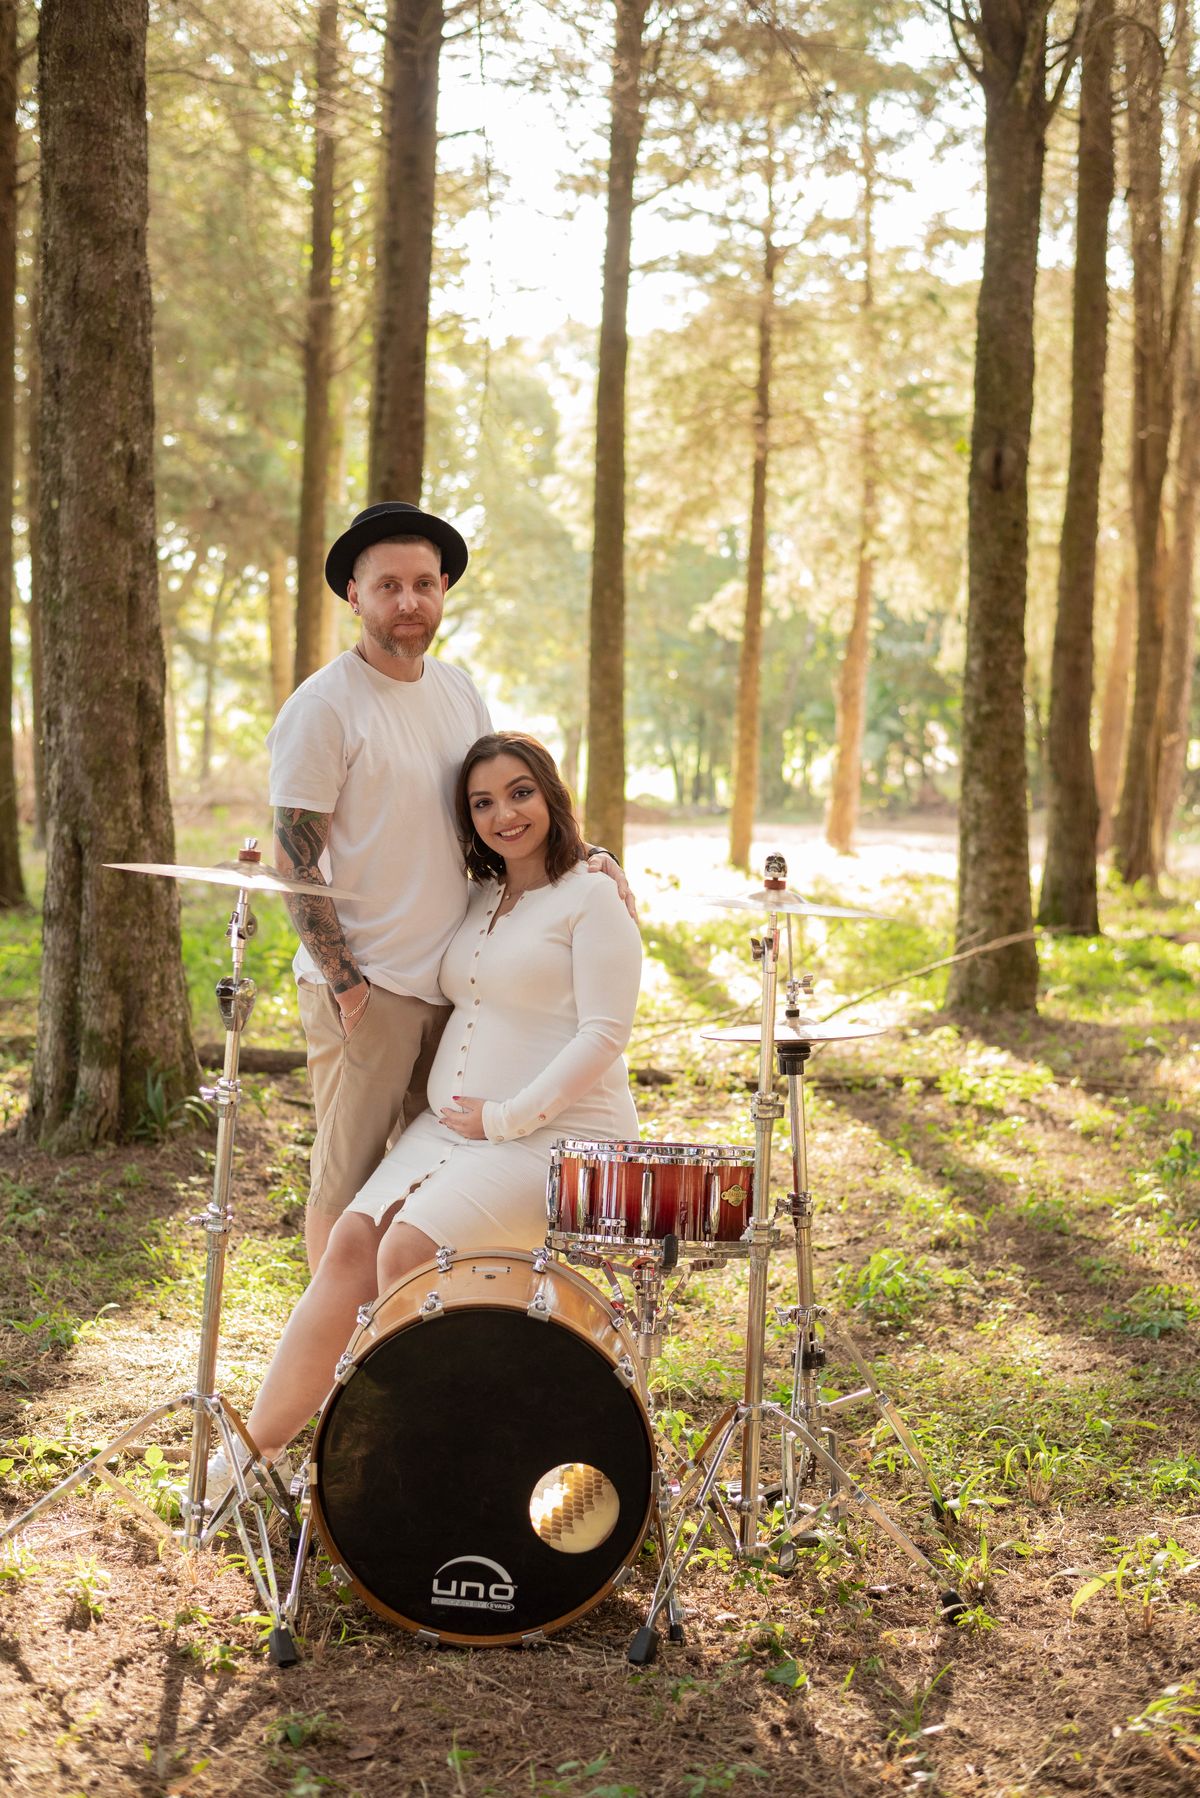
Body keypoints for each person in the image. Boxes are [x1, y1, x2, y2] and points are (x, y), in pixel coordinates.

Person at [214, 732, 641, 1487]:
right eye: (482, 802)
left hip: (557, 1138)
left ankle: (402, 1458)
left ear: (550, 794)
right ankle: (251, 1459)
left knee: (406, 1252)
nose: (504, 813)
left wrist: (506, 1116)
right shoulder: (478, 898)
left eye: (520, 792)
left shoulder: (593, 895)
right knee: (352, 1240)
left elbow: (605, 1034)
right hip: (455, 1130)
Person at [267, 502, 633, 1277]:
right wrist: (347, 984)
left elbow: (495, 811)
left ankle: (422, 1340)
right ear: (355, 596)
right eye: (389, 585)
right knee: (348, 1187)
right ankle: (342, 1356)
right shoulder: (323, 708)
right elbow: (295, 858)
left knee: (427, 1188)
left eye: (424, 584)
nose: (409, 603)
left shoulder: (459, 692)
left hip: (463, 985)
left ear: (442, 593)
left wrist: (585, 854)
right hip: (372, 988)